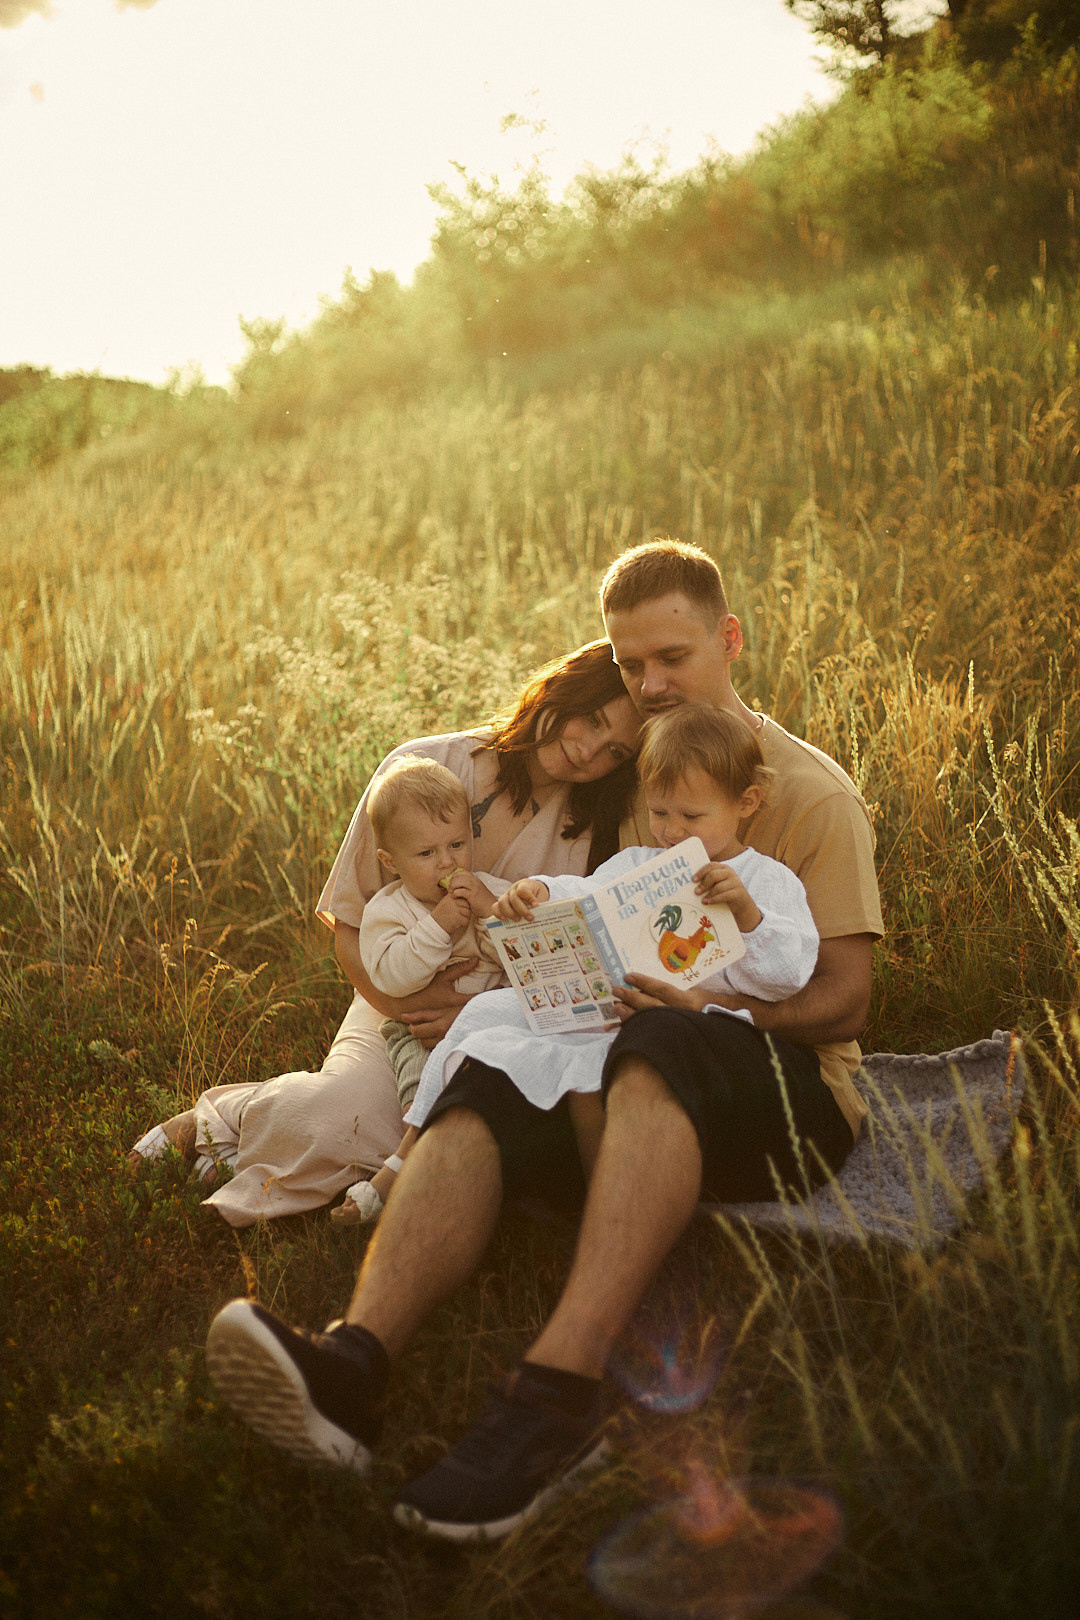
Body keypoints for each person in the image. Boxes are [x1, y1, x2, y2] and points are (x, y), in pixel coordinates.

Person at [204, 539, 884, 1541]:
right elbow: (597, 906)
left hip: (786, 1095)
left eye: (673, 657)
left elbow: (847, 1001)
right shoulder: (638, 788)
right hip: (627, 1060)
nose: (650, 684)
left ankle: (564, 1391)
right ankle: (354, 1359)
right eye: (631, 663)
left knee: (663, 1040)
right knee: (493, 1067)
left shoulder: (807, 794)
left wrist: (708, 1012)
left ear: (729, 640)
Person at [128, 640, 642, 1225]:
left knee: (450, 1142)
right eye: (591, 719)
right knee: (341, 1117)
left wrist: (476, 1016)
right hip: (395, 996)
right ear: (558, 689)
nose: (589, 750)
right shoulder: (424, 767)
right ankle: (225, 1117)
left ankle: (287, 1154)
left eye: (614, 750)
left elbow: (575, 967)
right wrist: (412, 1006)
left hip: (504, 1022)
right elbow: (349, 929)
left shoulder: (598, 831)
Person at [405, 704, 821, 1184]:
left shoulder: (765, 880)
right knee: (485, 1013)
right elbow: (587, 896)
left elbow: (788, 976)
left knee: (591, 1079)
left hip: (690, 1033)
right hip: (604, 1009)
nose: (672, 831)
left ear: (746, 802)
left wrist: (748, 916)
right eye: (659, 812)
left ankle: (604, 1190)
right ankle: (413, 1136)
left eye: (691, 815)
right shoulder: (640, 863)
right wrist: (540, 892)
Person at [333, 755, 512, 1225]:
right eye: (427, 854)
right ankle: (416, 1167)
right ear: (391, 863)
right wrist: (439, 928)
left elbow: (520, 957)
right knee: (421, 1088)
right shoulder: (388, 912)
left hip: (485, 1027)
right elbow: (393, 977)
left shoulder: (487, 890)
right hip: (417, 1033)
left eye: (456, 844)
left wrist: (490, 913)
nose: (448, 862)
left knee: (484, 1085)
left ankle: (439, 1170)